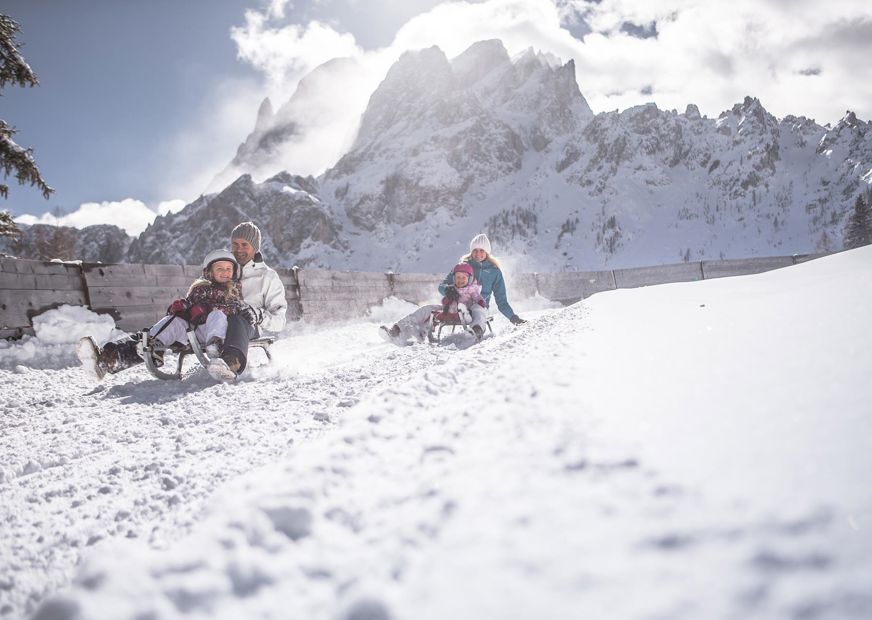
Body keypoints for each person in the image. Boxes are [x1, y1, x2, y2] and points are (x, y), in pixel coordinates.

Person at [76, 250, 254, 382]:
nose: (225, 272)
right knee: (172, 322)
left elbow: (238, 311)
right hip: (196, 331)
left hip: (219, 333)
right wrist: (182, 307)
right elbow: (188, 305)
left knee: (217, 315)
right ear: (209, 272)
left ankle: (215, 348)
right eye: (220, 268)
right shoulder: (200, 288)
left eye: (228, 269)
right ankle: (115, 358)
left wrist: (212, 308)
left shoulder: (234, 290)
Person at [225, 221, 288, 375]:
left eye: (244, 244)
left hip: (249, 326)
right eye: (235, 244)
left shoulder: (268, 277)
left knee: (237, 319)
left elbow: (279, 322)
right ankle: (158, 345)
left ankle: (232, 361)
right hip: (217, 321)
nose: (239, 249)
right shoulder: (222, 270)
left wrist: (258, 315)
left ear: (255, 247)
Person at [439, 233, 526, 326]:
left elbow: (501, 300)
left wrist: (513, 317)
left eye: (482, 250)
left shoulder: (494, 271)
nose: (478, 253)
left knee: (477, 311)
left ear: (487, 252)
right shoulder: (463, 266)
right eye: (475, 250)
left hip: (480, 307)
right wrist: (447, 290)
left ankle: (476, 330)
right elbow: (442, 285)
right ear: (471, 251)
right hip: (459, 305)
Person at [440, 263, 487, 340]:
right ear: (454, 279)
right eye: (458, 277)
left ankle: (476, 329)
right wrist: (446, 299)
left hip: (470, 311)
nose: (460, 280)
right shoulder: (452, 289)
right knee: (456, 306)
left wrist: (480, 301)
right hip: (455, 311)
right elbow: (445, 301)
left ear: (469, 279)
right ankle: (464, 313)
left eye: (463, 277)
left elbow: (477, 297)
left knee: (478, 309)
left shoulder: (472, 289)